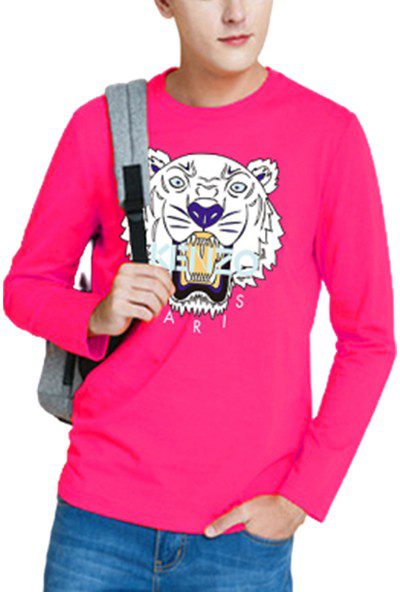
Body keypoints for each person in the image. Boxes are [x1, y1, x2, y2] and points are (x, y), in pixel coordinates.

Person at [3, 0, 396, 590]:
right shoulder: (103, 126)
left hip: (243, 535)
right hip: (99, 520)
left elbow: (369, 339)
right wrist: (97, 314)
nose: (236, 13)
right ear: (164, 2)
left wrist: (302, 497)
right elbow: (26, 288)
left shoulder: (328, 136)